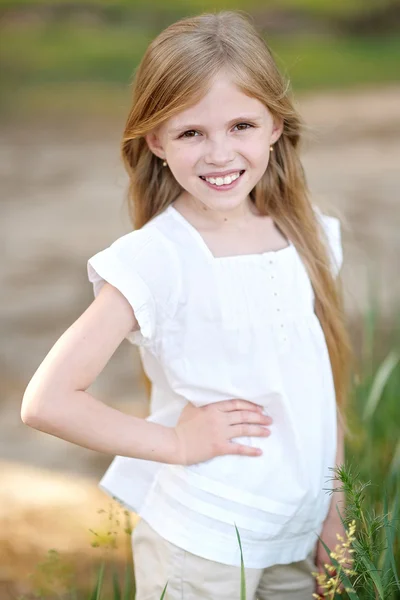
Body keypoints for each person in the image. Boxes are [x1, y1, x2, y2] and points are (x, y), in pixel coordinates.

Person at [21, 10, 355, 600]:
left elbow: (315, 385)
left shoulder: (306, 234)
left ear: (275, 125)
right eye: (191, 133)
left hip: (296, 534)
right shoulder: (157, 258)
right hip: (203, 544)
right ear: (155, 140)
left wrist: (334, 506)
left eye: (242, 125)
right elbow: (47, 401)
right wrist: (177, 443)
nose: (220, 154)